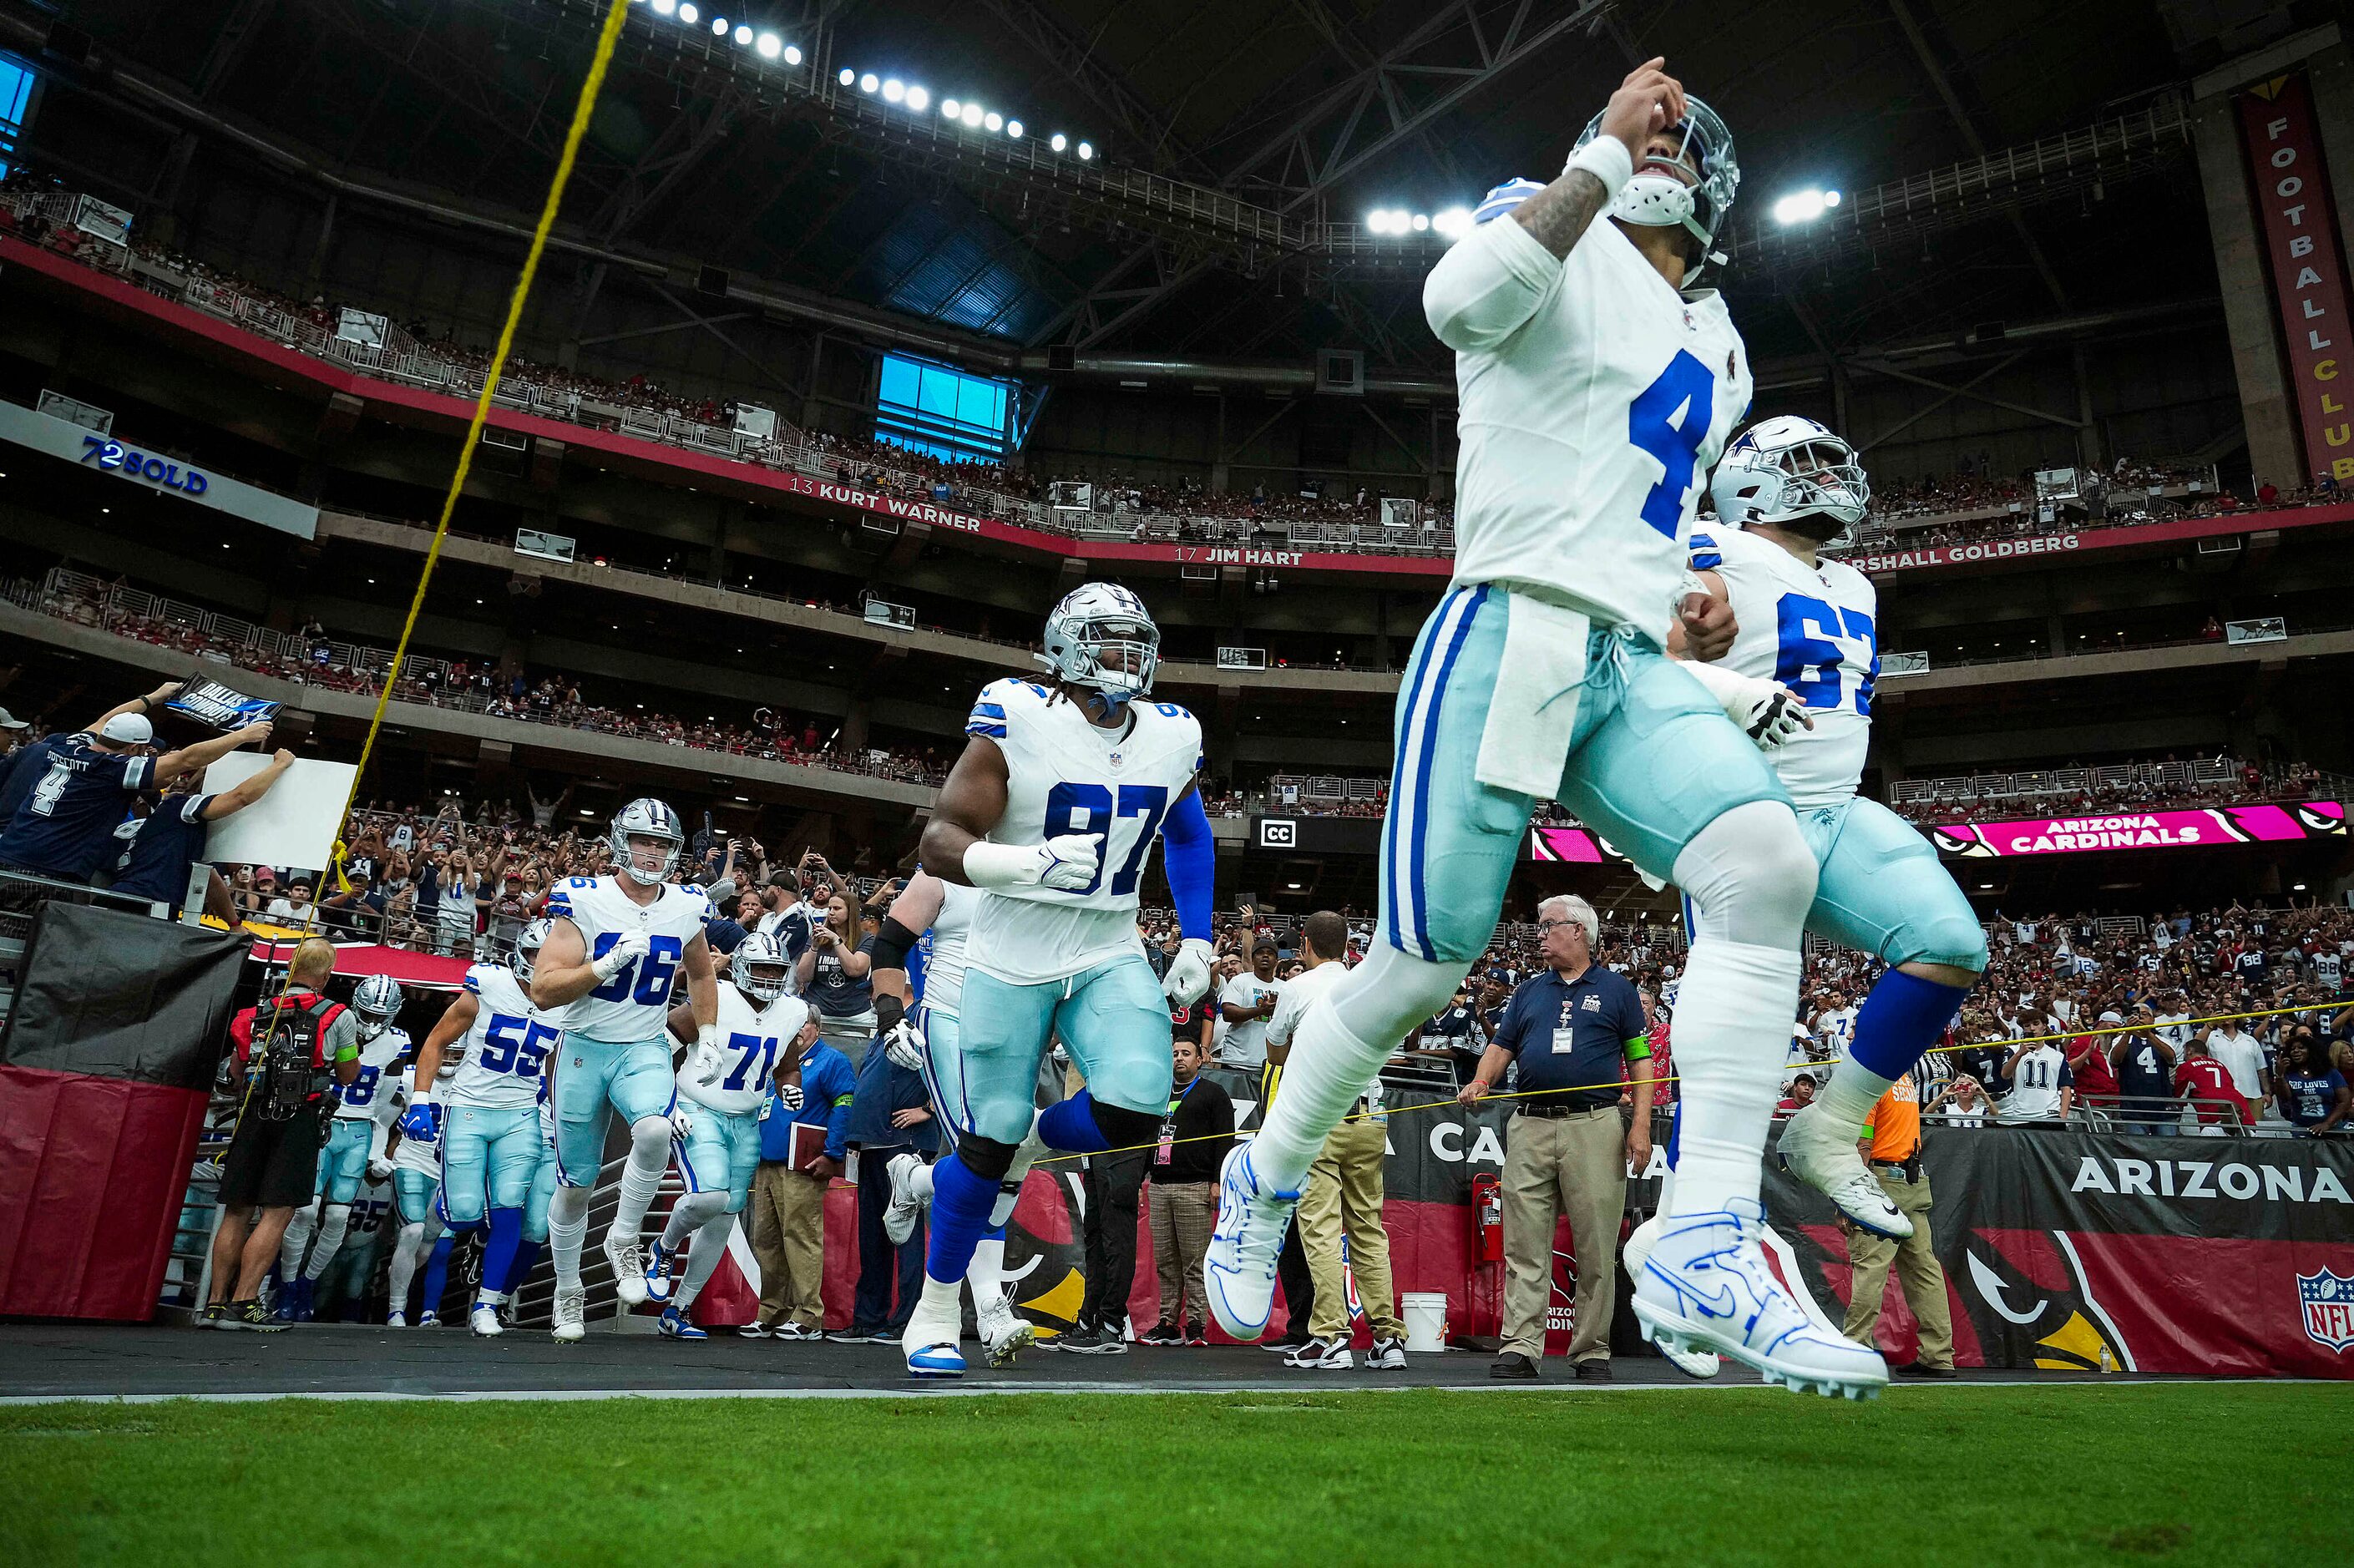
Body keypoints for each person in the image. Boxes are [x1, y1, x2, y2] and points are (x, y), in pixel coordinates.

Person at [1207, 61, 1886, 1398]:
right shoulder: (1551, 215)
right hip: (1511, 625)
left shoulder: (1718, 331)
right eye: (1654, 136)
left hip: (1629, 655)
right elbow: (1452, 301)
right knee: (1416, 963)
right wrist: (1593, 156)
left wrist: (1689, 579)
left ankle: (1699, 1233)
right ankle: (1265, 1169)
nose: (1665, 151)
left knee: (1767, 862)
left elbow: (1653, 480)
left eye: (1687, 149)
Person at [897, 582, 1218, 1378]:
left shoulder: (1173, 732)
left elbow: (1188, 833)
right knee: (986, 1139)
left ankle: (1031, 1144)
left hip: (1108, 944)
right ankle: (937, 1309)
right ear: (1069, 646)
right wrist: (1021, 862)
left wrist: (1200, 937)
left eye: (1135, 640)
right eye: (1110, 641)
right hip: (1009, 954)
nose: (1128, 656)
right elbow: (941, 838)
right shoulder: (1015, 712)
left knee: (1139, 1103)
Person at [1681, 415, 1987, 1243]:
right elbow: (1652, 653)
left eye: (1827, 463)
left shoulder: (1855, 585)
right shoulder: (1708, 541)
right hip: (1740, 817)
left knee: (1950, 946)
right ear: (1747, 480)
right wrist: (1702, 664)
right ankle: (1689, 1239)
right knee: (1730, 1077)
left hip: (1834, 810)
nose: (1824, 478)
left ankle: (1827, 1126)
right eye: (1802, 465)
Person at [522, 799, 720, 1342]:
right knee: (577, 1186)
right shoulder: (584, 899)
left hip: (643, 1046)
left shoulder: (685, 905)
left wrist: (708, 1036)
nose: (651, 852)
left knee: (656, 1129)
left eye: (661, 843)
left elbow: (702, 975)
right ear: (619, 841)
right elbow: (541, 990)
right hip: (584, 1048)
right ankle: (568, 1289)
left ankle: (625, 1236)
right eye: (642, 840)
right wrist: (602, 966)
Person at [1459, 896, 1653, 1381]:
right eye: (1540, 926)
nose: (1540, 935)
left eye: (1549, 926)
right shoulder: (1527, 993)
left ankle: (1592, 1352)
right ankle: (1521, 1347)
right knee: (1524, 1242)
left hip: (1595, 1124)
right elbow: (1500, 1046)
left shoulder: (1618, 991)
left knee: (1595, 1245)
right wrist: (1483, 1080)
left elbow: (1641, 1061)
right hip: (1529, 1123)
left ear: (1580, 931)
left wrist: (1641, 1126)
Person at [870, 869, 1037, 1367]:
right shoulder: (942, 877)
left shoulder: (1035, 871)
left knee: (1011, 1153)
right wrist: (889, 1016)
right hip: (949, 1018)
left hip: (1011, 1025)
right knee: (983, 1155)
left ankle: (916, 1179)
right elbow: (888, 946)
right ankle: (987, 1307)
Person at [652, 934, 818, 1340]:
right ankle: (664, 1247)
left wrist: (790, 1085)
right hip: (698, 1107)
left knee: (725, 1217)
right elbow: (659, 1048)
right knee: (710, 1197)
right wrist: (666, 1102)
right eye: (760, 967)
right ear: (742, 967)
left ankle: (679, 1309)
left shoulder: (792, 1011)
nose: (767, 976)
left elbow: (785, 1063)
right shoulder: (717, 996)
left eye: (775, 970)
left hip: (745, 1120)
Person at [402, 919, 563, 1337]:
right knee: (465, 1212)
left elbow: (555, 1056)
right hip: (470, 1108)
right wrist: (421, 1099)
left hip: (521, 1113)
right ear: (521, 955)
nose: (542, 965)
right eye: (535, 955)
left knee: (512, 1207)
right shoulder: (488, 986)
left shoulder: (566, 1001)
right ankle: (475, 1229)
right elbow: (436, 1041)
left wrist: (549, 1084)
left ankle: (488, 1305)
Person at [202, 938, 362, 1331]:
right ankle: (246, 1302)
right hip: (300, 1118)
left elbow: (234, 1075)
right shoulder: (337, 1015)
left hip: (251, 1116)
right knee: (277, 1212)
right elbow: (348, 1073)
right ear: (325, 976)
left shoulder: (252, 1014)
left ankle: (215, 1304)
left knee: (237, 1209)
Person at [1270, 909, 1403, 1370]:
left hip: (1321, 1120)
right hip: (1370, 1118)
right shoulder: (1369, 983)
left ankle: (1331, 1337)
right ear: (1347, 945)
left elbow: (1275, 1050)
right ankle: (1387, 1338)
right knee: (1368, 1228)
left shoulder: (1297, 987)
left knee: (1322, 1230)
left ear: (1304, 944)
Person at [0, 683, 270, 883]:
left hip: (11, 850)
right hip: (48, 868)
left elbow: (105, 720)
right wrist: (243, 734)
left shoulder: (69, 744)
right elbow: (188, 759)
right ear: (132, 749)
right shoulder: (114, 769)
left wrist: (152, 697)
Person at [273, 974, 408, 1323]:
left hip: (360, 1129)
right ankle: (287, 1284)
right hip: (323, 1123)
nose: (374, 1022)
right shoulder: (333, 1023)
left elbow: (385, 1105)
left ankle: (307, 1282)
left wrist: (379, 1150)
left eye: (382, 1017)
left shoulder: (397, 1044)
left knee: (336, 1217)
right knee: (303, 1211)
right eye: (369, 1013)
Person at [742, 1009, 854, 1339]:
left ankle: (808, 1316)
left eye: (805, 1023)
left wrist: (833, 1154)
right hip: (766, 1161)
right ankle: (772, 1310)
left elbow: (844, 1105)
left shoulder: (831, 1061)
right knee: (766, 1239)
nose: (799, 1030)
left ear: (817, 1028)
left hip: (802, 1164)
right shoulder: (776, 1061)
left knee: (800, 1236)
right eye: (795, 1024)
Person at [1838, 1071, 1955, 1378]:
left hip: (1880, 1182)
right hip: (1912, 1180)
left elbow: (1864, 1145)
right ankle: (1938, 1355)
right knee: (1924, 1271)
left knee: (1870, 1269)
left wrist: (1849, 1199)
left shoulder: (1869, 1083)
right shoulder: (1903, 1079)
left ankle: (1855, 1353)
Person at [839, 999, 937, 1344]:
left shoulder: (925, 1020)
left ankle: (908, 1320)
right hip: (872, 1142)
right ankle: (870, 1318)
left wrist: (928, 1109)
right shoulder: (885, 1033)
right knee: (873, 1236)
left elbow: (955, 1067)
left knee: (906, 1235)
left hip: (903, 1143)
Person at [111, 747, 296, 914]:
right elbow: (241, 796)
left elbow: (211, 880)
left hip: (143, 903)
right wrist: (279, 765)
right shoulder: (181, 807)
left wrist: (234, 925)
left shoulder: (185, 825)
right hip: (141, 903)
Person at [1138, 1034, 1233, 1347]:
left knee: (1195, 1260)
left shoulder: (1213, 1094)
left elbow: (1225, 1140)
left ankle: (1195, 1324)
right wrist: (1142, 1178)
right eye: (1175, 1053)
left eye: (1186, 1053)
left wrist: (1218, 1181)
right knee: (1165, 1261)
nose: (1179, 1058)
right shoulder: (1158, 1093)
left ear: (1200, 1059)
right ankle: (1167, 1322)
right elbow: (1149, 1139)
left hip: (1195, 1187)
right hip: (1160, 1186)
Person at [797, 890, 877, 1062]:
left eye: (837, 908)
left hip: (854, 1016)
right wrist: (814, 948)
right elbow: (802, 976)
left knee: (852, 1061)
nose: (831, 912)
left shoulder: (866, 939)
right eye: (830, 908)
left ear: (851, 911)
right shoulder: (819, 936)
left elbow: (855, 969)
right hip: (820, 1014)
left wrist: (836, 941)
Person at [1216, 939, 1283, 1070]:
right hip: (1237, 1060)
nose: (1265, 956)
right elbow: (1228, 1013)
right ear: (1252, 960)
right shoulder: (1240, 981)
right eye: (1260, 953)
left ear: (1276, 960)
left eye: (1270, 953)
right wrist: (1260, 1010)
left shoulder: (1285, 987)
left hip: (1270, 1063)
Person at [2110, 1014, 2178, 1136]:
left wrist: (2149, 1036)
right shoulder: (2121, 1040)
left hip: (2162, 1104)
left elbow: (2171, 1058)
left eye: (2145, 1015)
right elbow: (2115, 1060)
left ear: (2152, 1020)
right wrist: (2128, 1033)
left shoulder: (2163, 1040)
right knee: (2136, 1148)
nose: (2140, 1018)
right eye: (2136, 1015)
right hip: (2133, 1105)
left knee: (2168, 1147)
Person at [2276, 1034, 2350, 1134]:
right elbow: (2285, 1098)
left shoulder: (2330, 1072)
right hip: (2301, 1129)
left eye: (2301, 1048)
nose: (2296, 1051)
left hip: (2332, 1129)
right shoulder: (2289, 1074)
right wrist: (2280, 1075)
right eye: (2292, 1049)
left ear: (2312, 1051)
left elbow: (2345, 1102)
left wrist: (2327, 1124)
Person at [2201, 1020, 2270, 1130]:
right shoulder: (2210, 1039)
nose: (2225, 1018)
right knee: (2225, 1133)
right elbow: (2195, 1045)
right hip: (2223, 1097)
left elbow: (2261, 1068)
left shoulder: (2250, 1040)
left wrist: (2267, 1092)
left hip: (2252, 1094)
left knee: (2255, 1133)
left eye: (2228, 1014)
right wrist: (2209, 1023)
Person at [2000, 1034, 2073, 1126]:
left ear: (2044, 1027)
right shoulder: (2013, 1050)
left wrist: (2063, 1115)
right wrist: (2019, 1054)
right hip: (2021, 1115)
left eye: (2036, 1024)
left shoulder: (2057, 1056)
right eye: (2027, 1025)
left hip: (2050, 1114)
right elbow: (2005, 1075)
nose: (2032, 1029)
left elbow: (2066, 1087)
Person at [2173, 1038, 2242, 1134]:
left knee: (2211, 1142)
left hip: (2211, 1111)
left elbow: (2179, 1098)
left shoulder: (2187, 1066)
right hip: (2235, 1107)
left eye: (2184, 1052)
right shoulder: (2220, 1065)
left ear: (2189, 1051)